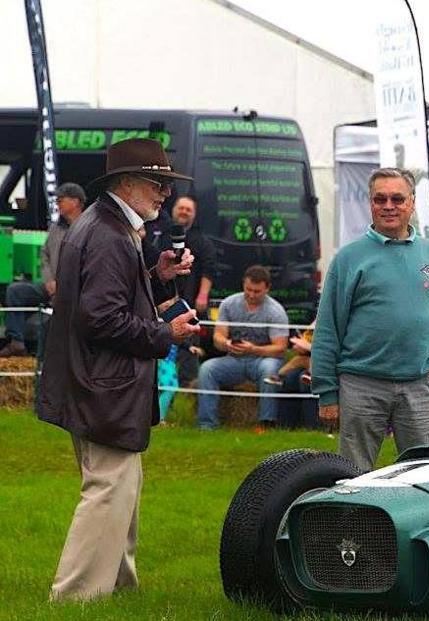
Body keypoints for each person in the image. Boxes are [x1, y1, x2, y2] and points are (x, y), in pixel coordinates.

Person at [37, 138, 200, 601]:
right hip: (104, 386)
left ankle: (120, 585)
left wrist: (157, 277)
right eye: (158, 182)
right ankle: (75, 596)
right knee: (109, 489)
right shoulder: (109, 235)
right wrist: (168, 333)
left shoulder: (101, 225)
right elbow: (102, 319)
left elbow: (102, 298)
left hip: (90, 380)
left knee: (122, 487)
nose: (165, 193)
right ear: (125, 183)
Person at [312, 167, 429, 471]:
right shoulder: (349, 258)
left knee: (427, 474)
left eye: (397, 198)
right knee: (352, 477)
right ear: (370, 203)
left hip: (420, 385)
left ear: (411, 203)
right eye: (380, 199)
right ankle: (353, 522)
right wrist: (327, 391)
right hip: (361, 385)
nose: (389, 206)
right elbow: (328, 328)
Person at [195, 265, 289, 430]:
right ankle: (207, 424)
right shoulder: (229, 304)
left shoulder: (276, 311)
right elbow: (218, 337)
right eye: (248, 289)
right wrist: (227, 344)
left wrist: (253, 349)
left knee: (270, 371)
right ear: (243, 285)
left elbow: (280, 348)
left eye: (257, 291)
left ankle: (266, 424)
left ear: (267, 288)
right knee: (207, 369)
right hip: (235, 359)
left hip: (262, 360)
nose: (252, 294)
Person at [0, 182, 86, 357]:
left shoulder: (90, 228)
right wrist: (49, 280)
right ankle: (16, 341)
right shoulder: (55, 228)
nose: (58, 204)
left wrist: (63, 285)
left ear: (76, 202)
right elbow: (44, 255)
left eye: (61, 200)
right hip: (50, 286)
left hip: (76, 292)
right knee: (15, 291)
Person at [149, 195, 216, 382]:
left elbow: (209, 270)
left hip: (189, 302)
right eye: (181, 208)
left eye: (188, 209)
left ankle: (188, 391)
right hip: (161, 300)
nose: (184, 212)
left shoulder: (203, 241)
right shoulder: (160, 236)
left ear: (194, 215)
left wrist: (203, 295)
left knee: (189, 349)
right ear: (173, 210)